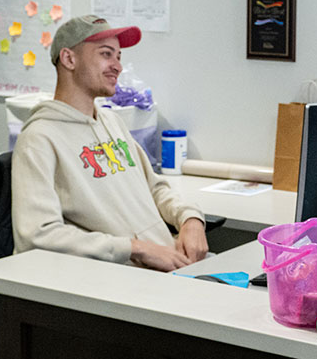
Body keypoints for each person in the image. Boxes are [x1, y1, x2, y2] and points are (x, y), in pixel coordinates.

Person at [11, 15, 206, 271]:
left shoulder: (112, 122)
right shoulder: (39, 138)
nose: (117, 66)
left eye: (119, 57)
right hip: (122, 277)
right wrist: (135, 248)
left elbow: (156, 190)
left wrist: (190, 218)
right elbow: (37, 235)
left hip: (170, 263)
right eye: (106, 54)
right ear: (69, 59)